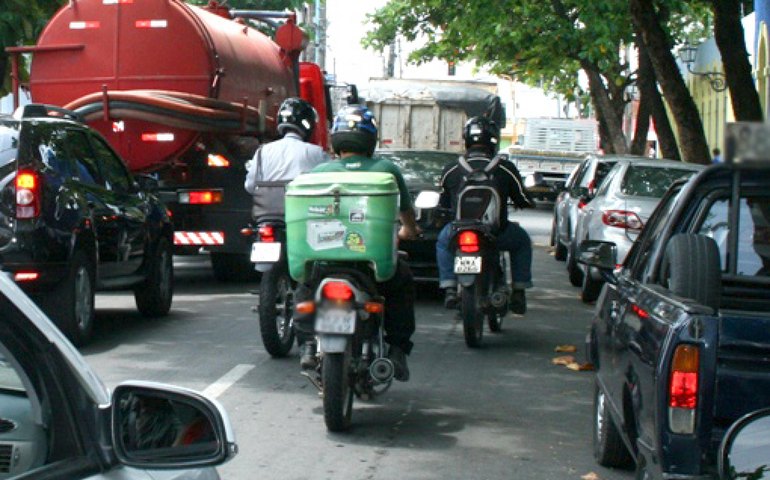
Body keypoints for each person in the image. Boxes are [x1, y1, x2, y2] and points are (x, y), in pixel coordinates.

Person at [298, 104, 419, 381]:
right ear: (370, 139)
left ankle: (306, 343)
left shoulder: (319, 173)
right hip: (371, 268)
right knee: (402, 282)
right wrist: (409, 230)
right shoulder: (386, 169)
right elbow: (405, 214)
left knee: (304, 287)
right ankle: (398, 350)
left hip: (324, 263)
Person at [244, 97, 328, 368]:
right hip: (303, 221)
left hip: (267, 219)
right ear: (308, 124)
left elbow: (250, 186)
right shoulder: (315, 153)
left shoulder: (261, 152)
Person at [436, 116, 534, 313]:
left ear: (466, 139)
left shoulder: (452, 168)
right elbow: (522, 197)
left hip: (459, 230)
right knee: (522, 241)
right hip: (497, 233)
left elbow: (442, 202)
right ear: (494, 139)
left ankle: (448, 287)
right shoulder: (505, 168)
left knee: (442, 242)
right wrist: (525, 203)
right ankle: (519, 292)